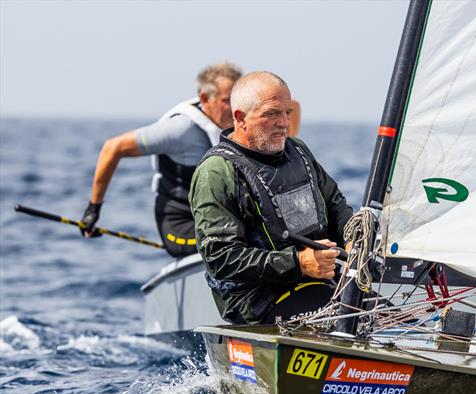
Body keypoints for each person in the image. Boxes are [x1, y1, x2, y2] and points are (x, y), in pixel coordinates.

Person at [79, 62, 302, 258]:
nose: (234, 107)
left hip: (225, 217)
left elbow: (295, 106)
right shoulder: (180, 130)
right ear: (206, 98)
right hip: (181, 225)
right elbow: (112, 147)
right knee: (247, 239)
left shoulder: (242, 119)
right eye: (226, 100)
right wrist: (94, 208)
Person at [189, 71, 352, 325]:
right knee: (351, 323)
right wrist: (298, 263)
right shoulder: (216, 172)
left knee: (394, 323)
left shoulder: (297, 150)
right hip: (257, 300)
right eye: (272, 114)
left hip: (316, 282)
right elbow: (221, 258)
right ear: (241, 118)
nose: (284, 123)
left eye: (287, 113)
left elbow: (335, 204)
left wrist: (352, 239)